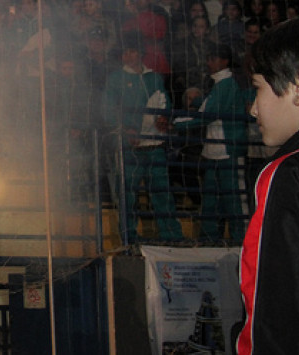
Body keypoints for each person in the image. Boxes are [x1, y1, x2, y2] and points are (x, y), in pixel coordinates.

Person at [237, 15, 299, 355]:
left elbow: (274, 306)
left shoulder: (286, 173)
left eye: (259, 88)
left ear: (298, 85)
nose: (252, 109)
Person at [103, 36, 183, 242]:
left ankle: (171, 236)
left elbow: (165, 100)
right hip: (130, 146)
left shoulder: (154, 77)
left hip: (154, 143)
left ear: (140, 53)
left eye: (131, 51)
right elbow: (108, 109)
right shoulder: (115, 78)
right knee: (128, 195)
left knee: (161, 193)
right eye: (125, 52)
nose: (128, 56)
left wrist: (165, 116)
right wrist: (125, 129)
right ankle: (128, 238)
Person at [173, 44, 247, 241]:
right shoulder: (222, 85)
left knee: (228, 200)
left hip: (225, 150)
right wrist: (198, 103)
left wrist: (177, 124)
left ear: (224, 61)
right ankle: (217, 238)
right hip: (217, 150)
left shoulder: (225, 85)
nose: (209, 63)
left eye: (213, 59)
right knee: (215, 199)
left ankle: (233, 239)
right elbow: (211, 108)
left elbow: (209, 115)